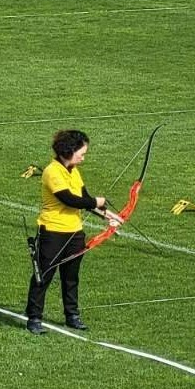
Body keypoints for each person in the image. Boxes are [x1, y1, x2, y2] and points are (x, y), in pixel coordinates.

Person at [25, 130, 121, 334]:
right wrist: (97, 201)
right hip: (53, 232)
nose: (83, 157)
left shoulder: (74, 171)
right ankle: (34, 317)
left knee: (71, 276)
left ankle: (72, 315)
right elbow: (69, 200)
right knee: (44, 275)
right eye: (81, 153)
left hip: (75, 232)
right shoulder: (52, 172)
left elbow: (84, 198)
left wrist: (106, 214)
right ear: (69, 151)